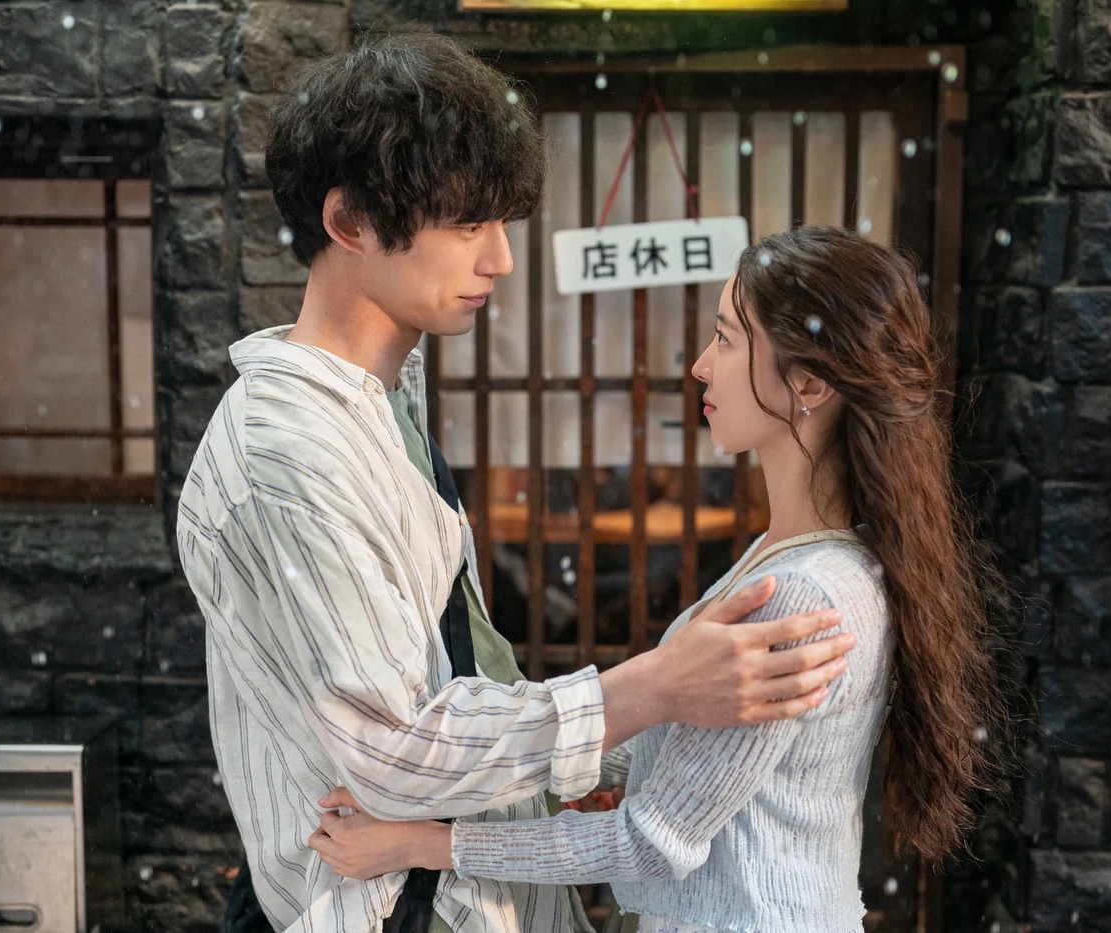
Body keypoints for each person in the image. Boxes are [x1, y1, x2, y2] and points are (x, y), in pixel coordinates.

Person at [175, 34, 857, 933]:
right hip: (388, 907)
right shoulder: (288, 450)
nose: (498, 258)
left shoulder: (386, 393)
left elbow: (448, 667)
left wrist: (568, 770)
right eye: (467, 225)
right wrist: (650, 688)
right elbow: (394, 752)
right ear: (349, 222)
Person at [306, 225, 1009, 932]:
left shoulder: (803, 595)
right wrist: (475, 781)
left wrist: (421, 843)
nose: (701, 366)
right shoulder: (795, 557)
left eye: (727, 339)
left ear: (809, 383)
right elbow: (691, 748)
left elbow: (652, 842)